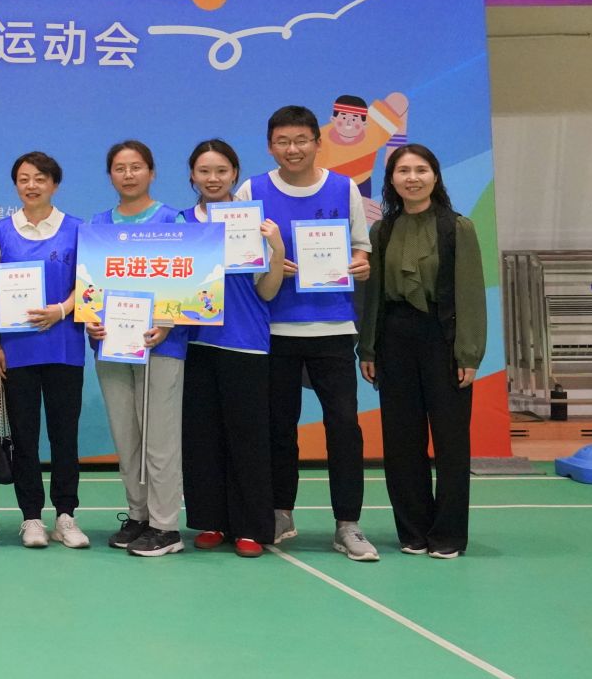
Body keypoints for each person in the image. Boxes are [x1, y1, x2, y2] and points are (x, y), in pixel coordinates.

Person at [240, 105, 377, 562]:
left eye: (301, 140)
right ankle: (281, 512)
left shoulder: (344, 187)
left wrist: (360, 265)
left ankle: (348, 523)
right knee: (279, 427)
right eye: (283, 141)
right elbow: (239, 256)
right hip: (274, 329)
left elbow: (361, 251)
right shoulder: (251, 190)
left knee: (344, 427)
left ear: (318, 142)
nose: (293, 149)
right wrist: (268, 264)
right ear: (269, 146)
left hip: (333, 327)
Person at [359, 144, 485, 559]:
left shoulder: (457, 228)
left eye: (421, 170)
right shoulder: (382, 231)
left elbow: (470, 293)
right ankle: (413, 530)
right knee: (401, 441)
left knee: (450, 442)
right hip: (393, 340)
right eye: (403, 171)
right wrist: (368, 348)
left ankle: (448, 535)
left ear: (435, 176)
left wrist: (468, 353)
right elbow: (374, 296)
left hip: (442, 339)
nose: (412, 178)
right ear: (391, 179)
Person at [84, 140, 189, 557]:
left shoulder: (172, 220)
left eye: (136, 167)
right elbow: (90, 287)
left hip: (161, 345)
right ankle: (139, 516)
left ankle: (166, 526)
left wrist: (167, 322)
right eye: (120, 168)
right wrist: (90, 318)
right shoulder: (97, 225)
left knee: (159, 439)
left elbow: (188, 281)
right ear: (110, 175)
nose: (128, 175)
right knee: (127, 437)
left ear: (152, 172)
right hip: (112, 347)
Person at [180, 139, 286, 558]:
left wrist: (277, 250)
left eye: (221, 171)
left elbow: (267, 291)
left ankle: (250, 527)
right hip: (195, 345)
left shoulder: (253, 223)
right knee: (202, 439)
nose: (213, 178)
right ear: (192, 175)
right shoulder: (182, 222)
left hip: (246, 344)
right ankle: (211, 521)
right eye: (204, 171)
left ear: (235, 174)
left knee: (248, 440)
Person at [0, 151, 89, 551]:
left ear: (54, 184)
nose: (31, 185)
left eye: (40, 178)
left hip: (64, 347)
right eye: (23, 179)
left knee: (64, 435)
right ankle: (31, 517)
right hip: (18, 351)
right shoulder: (1, 231)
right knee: (25, 437)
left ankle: (66, 515)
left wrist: (61, 310)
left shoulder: (77, 229)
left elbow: (88, 285)